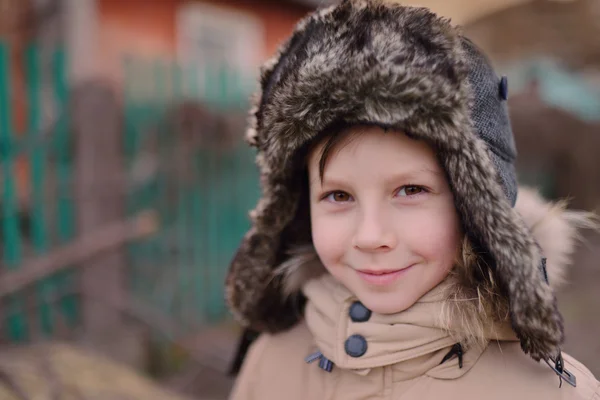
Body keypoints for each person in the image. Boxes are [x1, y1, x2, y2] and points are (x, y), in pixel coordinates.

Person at [224, 1, 600, 398]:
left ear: (474, 206)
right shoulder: (271, 362)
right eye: (338, 195)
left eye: (410, 190)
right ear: (302, 208)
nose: (370, 237)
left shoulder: (552, 393)